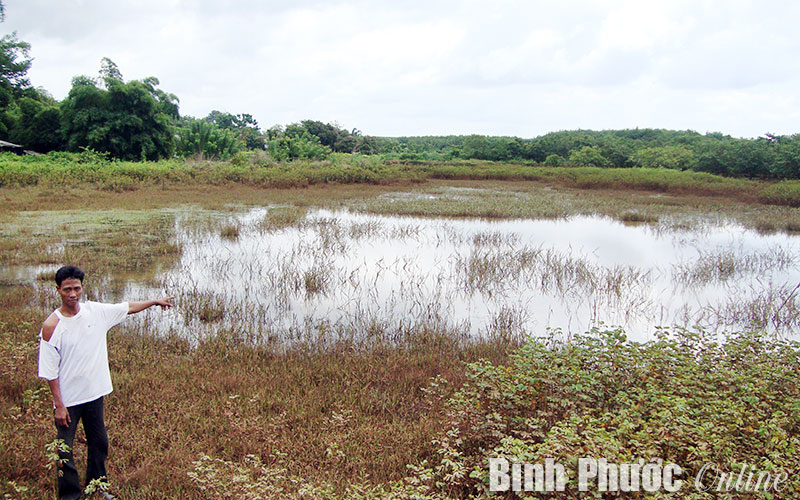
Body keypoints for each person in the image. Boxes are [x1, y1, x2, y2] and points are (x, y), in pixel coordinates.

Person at [38, 265, 174, 500]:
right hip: (68, 400)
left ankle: (98, 488)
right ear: (58, 290)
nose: (73, 294)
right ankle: (70, 495)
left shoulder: (96, 312)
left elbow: (128, 307)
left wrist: (154, 301)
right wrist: (59, 405)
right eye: (67, 289)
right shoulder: (52, 326)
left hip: (94, 394)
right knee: (64, 449)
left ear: (82, 288)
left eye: (77, 288)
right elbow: (49, 371)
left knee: (99, 443)